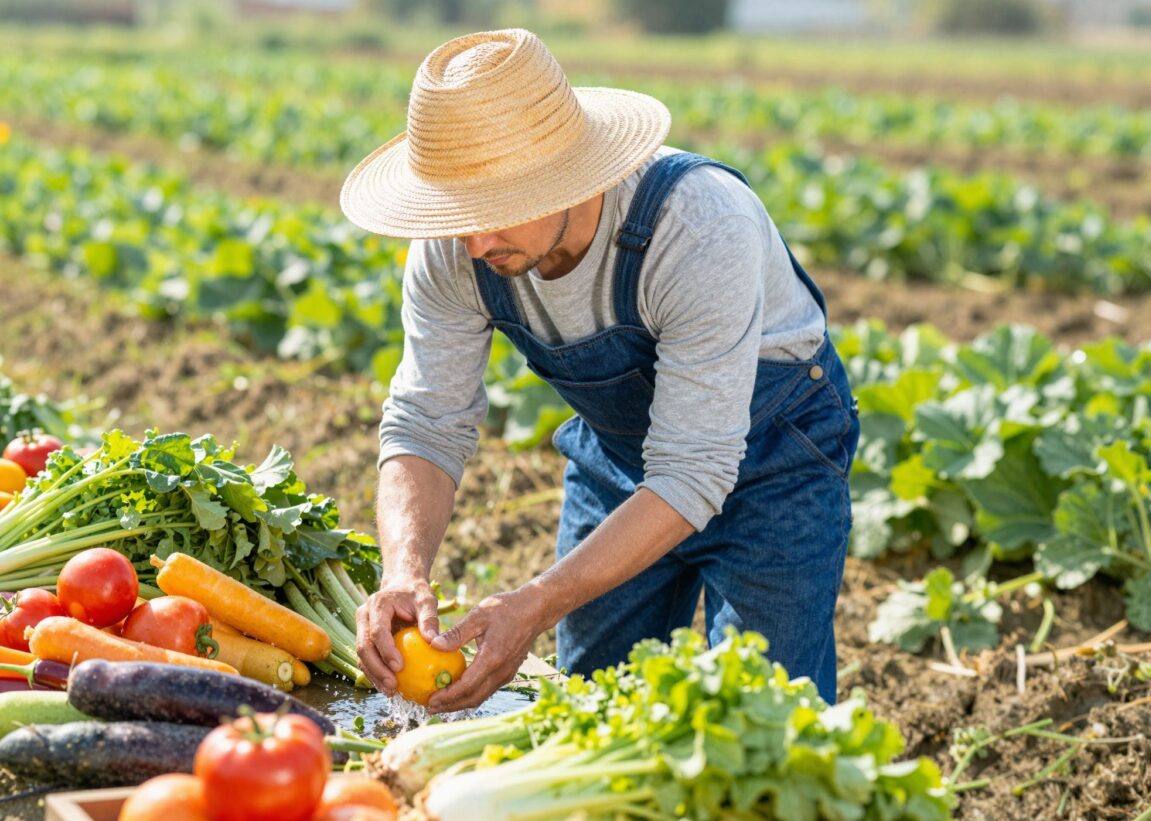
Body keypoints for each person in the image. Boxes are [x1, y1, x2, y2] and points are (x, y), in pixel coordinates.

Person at [341, 28, 860, 713]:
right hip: (622, 454)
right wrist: (403, 571)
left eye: (493, 210)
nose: (475, 242)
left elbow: (694, 469)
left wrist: (536, 603)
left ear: (566, 173)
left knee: (768, 714)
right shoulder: (458, 246)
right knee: (589, 704)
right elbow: (426, 420)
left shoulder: (697, 224)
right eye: (457, 213)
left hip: (775, 462)